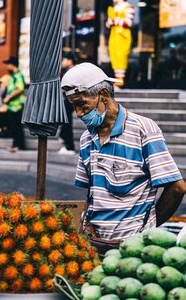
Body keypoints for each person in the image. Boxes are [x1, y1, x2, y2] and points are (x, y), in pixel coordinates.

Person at [61, 62, 186, 248]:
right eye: (74, 107)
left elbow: (177, 188)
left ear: (103, 95)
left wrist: (146, 231)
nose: (78, 113)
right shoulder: (87, 138)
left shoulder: (143, 130)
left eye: (81, 104)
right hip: (95, 242)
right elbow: (94, 193)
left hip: (132, 247)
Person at [106, 0, 135, 87]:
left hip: (123, 35)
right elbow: (108, 24)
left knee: (121, 55)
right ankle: (117, 79)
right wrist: (112, 21)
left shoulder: (128, 7)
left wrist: (115, 20)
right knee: (114, 55)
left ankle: (120, 80)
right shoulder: (113, 8)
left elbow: (128, 23)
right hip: (114, 35)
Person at [2, 56, 26, 152]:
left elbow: (19, 89)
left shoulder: (18, 76)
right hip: (12, 106)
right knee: (14, 126)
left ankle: (19, 145)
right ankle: (15, 145)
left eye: (8, 64)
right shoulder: (14, 76)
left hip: (16, 106)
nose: (7, 66)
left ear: (12, 65)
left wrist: (8, 97)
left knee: (17, 126)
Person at [58, 52, 76, 155]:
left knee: (66, 122)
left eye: (64, 60)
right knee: (65, 121)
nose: (62, 62)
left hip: (70, 99)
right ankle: (67, 144)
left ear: (69, 60)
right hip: (68, 98)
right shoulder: (69, 71)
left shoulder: (72, 71)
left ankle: (69, 146)